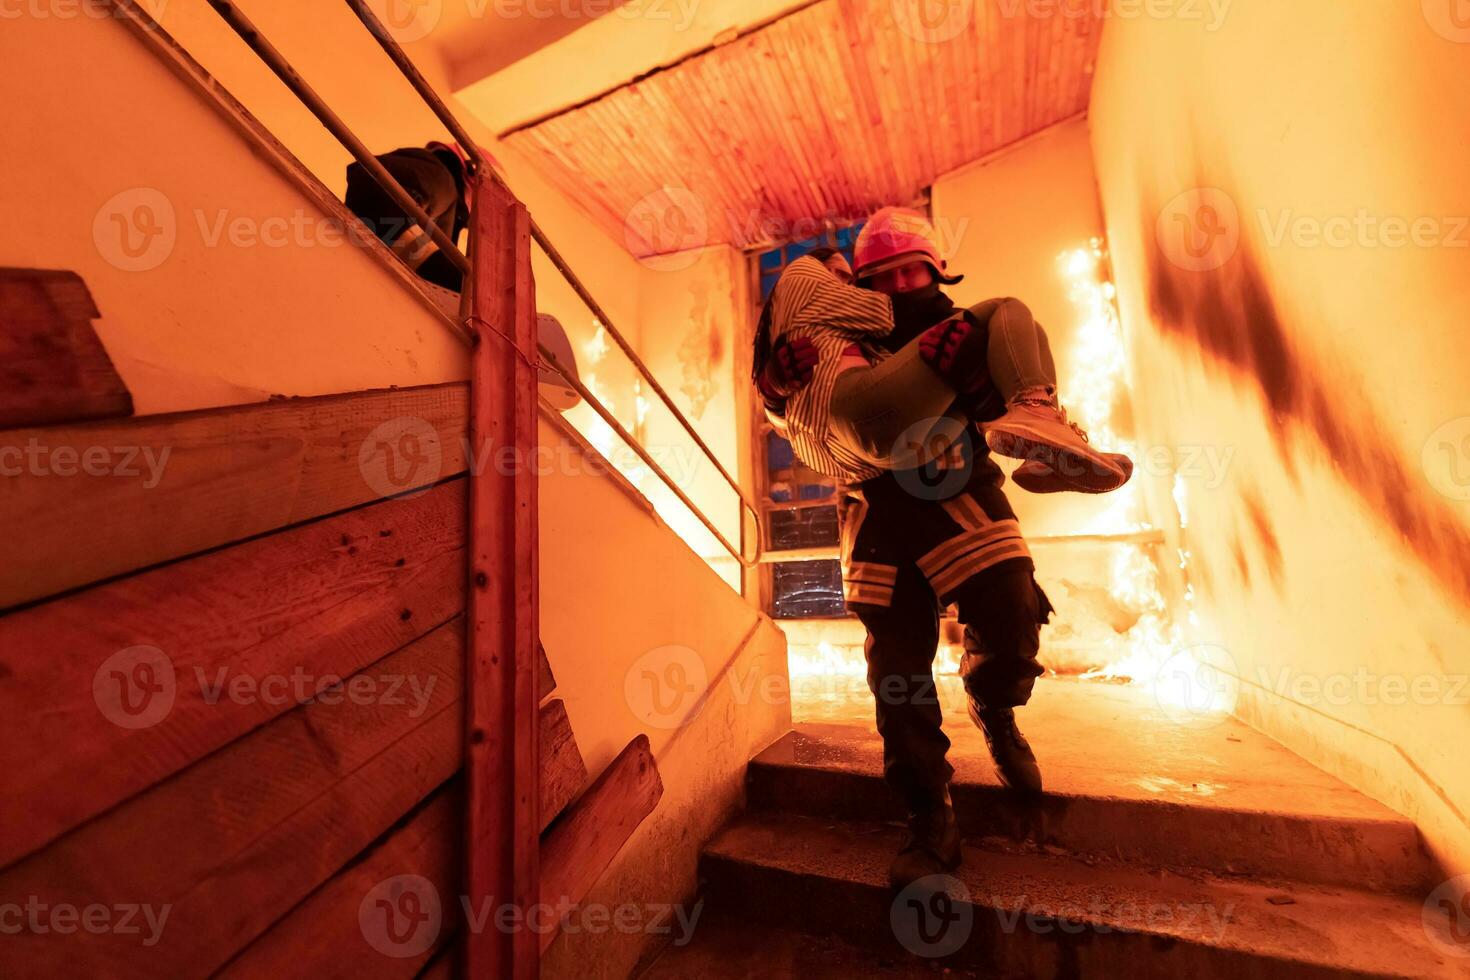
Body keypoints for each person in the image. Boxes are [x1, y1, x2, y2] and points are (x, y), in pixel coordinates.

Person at [753, 210, 1128, 889]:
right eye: (884, 275)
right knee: (897, 673)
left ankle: (995, 701)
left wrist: (981, 386)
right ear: (864, 285)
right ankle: (929, 815)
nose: (900, 283)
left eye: (911, 270)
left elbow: (993, 414)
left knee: (1013, 616)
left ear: (935, 270)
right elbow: (807, 413)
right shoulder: (845, 328)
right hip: (876, 508)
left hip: (959, 489)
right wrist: (776, 384)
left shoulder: (965, 329)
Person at [344, 141, 471, 292]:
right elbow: (371, 187)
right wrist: (452, 280)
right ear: (472, 174)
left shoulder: (446, 210)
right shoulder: (441, 176)